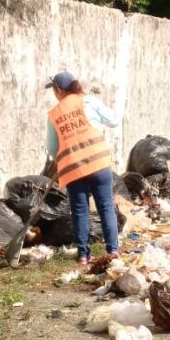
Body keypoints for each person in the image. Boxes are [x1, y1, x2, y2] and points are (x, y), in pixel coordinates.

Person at [45, 71, 119, 266]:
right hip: (98, 164)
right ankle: (113, 251)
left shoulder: (54, 114)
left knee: (80, 211)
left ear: (59, 90)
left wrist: (63, 155)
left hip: (73, 168)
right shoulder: (90, 102)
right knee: (105, 206)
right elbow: (113, 120)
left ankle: (83, 255)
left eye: (54, 90)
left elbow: (52, 148)